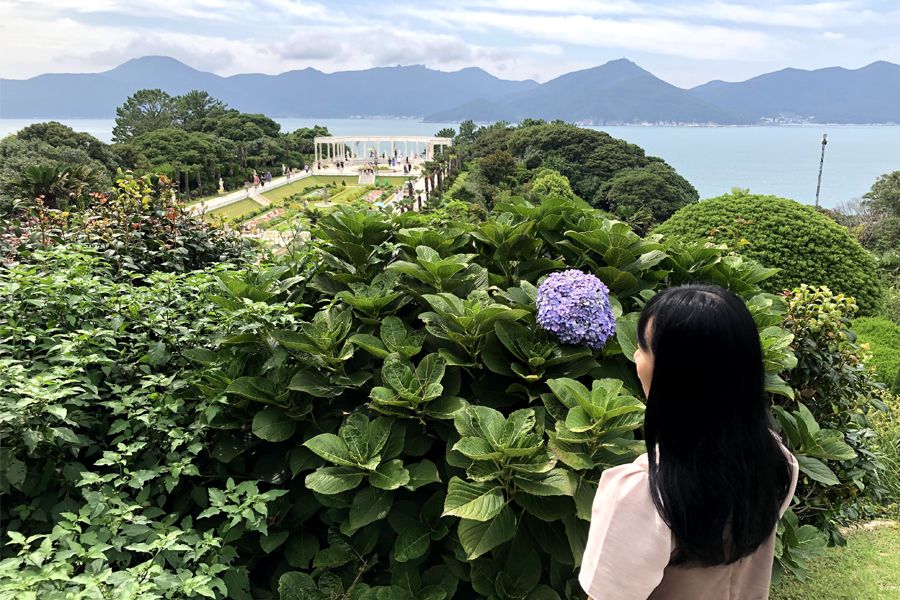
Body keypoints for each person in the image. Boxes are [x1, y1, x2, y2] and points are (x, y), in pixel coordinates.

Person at [579, 284, 798, 600]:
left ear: (677, 377)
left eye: (643, 347)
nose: (636, 355)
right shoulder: (777, 462)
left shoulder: (645, 494)